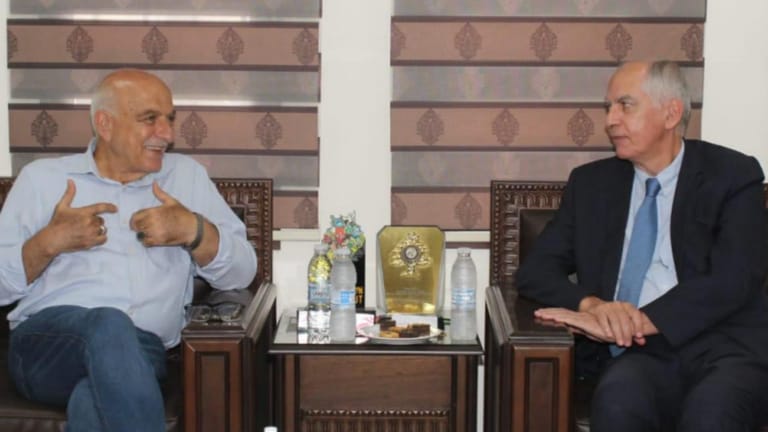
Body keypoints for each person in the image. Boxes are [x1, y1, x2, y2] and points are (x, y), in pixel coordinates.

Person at [516, 60, 768, 431]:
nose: (610, 120)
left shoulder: (731, 175)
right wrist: (594, 307)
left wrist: (638, 321)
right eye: (608, 108)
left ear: (671, 113)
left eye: (625, 105)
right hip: (641, 355)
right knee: (618, 402)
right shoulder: (591, 185)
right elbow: (535, 271)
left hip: (724, 348)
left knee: (711, 415)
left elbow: (734, 278)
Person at [0, 69, 257, 431]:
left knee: (94, 399)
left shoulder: (186, 178)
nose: (166, 134)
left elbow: (243, 273)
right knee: (109, 322)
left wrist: (194, 231)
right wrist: (49, 242)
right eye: (150, 119)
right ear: (105, 124)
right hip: (45, 349)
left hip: (143, 351)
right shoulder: (43, 179)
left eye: (169, 119)